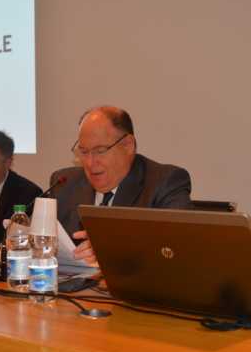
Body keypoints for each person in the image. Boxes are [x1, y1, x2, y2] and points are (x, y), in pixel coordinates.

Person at [50, 106, 192, 266]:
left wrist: (110, 248)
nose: (90, 163)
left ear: (128, 145)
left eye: (100, 151)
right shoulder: (65, 183)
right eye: (83, 152)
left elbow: (178, 247)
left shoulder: (164, 182)